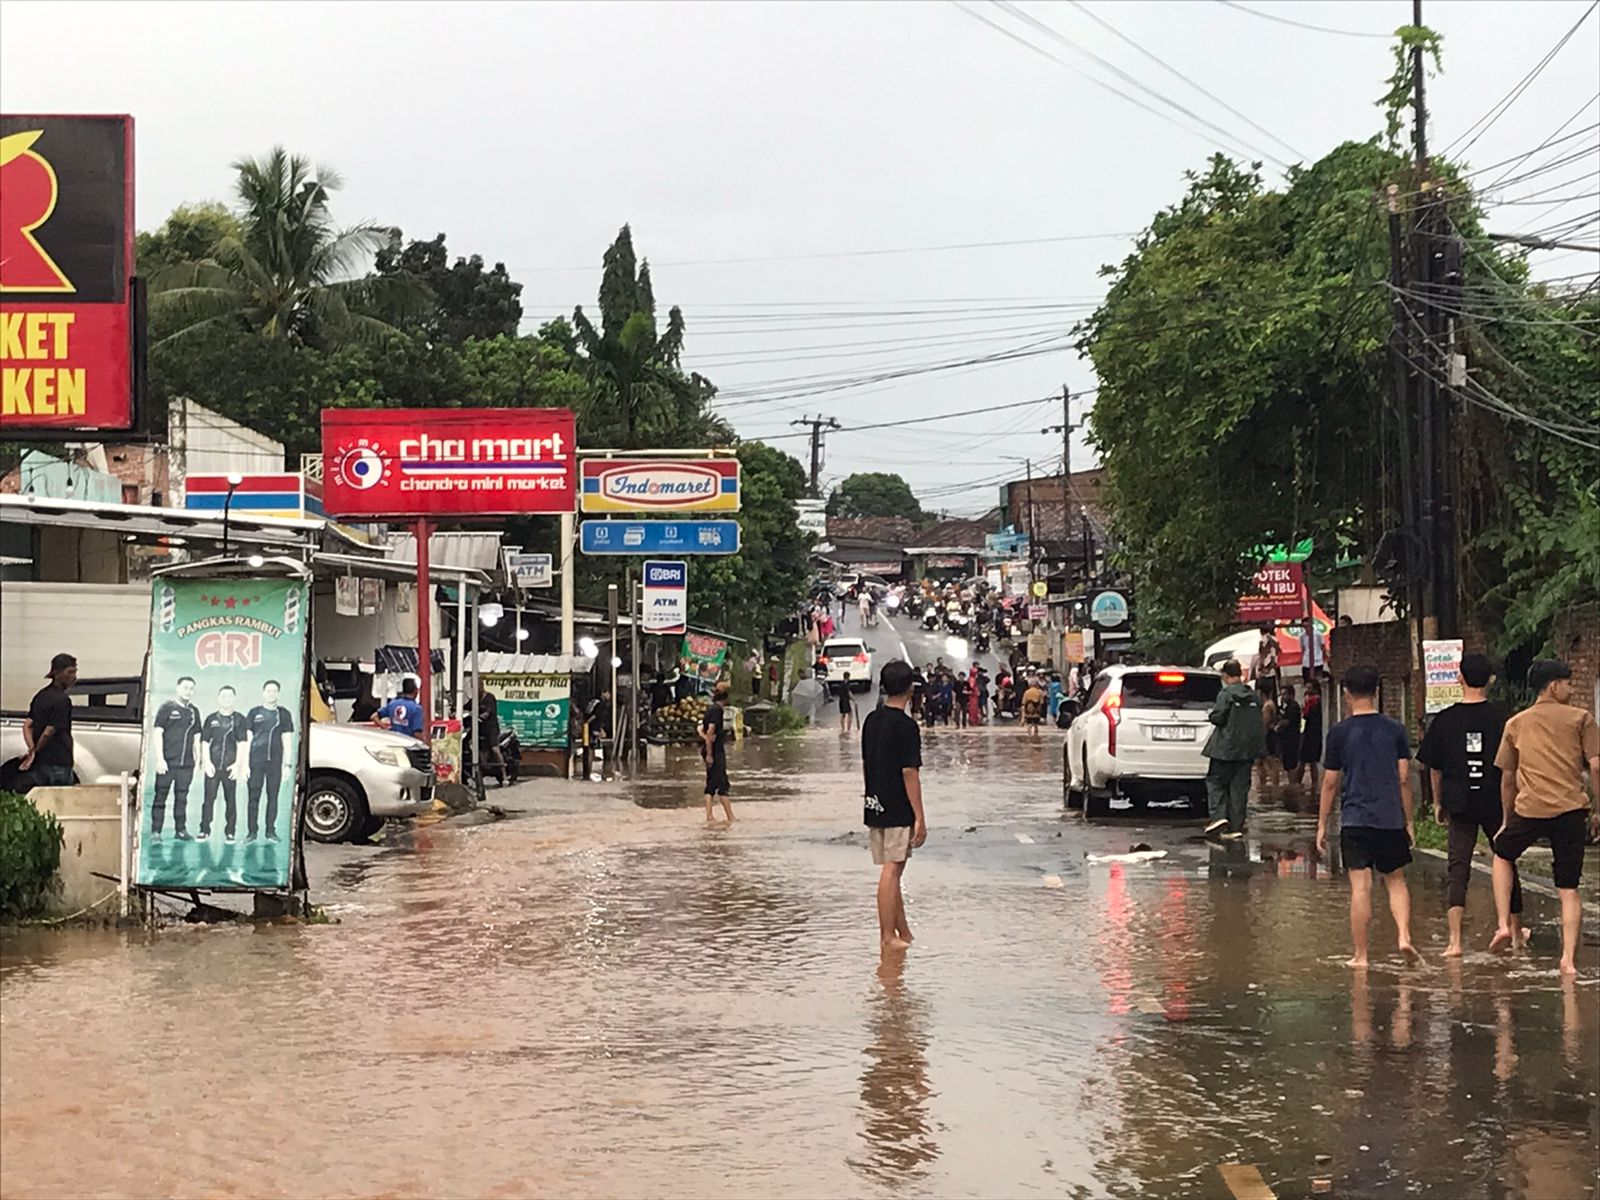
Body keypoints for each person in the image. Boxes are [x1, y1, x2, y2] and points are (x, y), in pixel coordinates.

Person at [1489, 659, 1600, 976]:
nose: (1571, 687)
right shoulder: (1582, 718)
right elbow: (1595, 766)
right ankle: (1567, 959)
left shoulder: (1516, 723)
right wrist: (1597, 809)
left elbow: (1507, 778)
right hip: (1570, 810)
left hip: (1530, 809)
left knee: (1502, 854)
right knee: (1568, 888)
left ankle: (1503, 924)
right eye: (1568, 683)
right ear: (1554, 685)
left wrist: (1507, 819)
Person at [1417, 653, 1522, 958]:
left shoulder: (1445, 720)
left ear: (1459, 679)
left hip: (1459, 802)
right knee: (1506, 861)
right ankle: (1515, 934)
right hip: (1494, 801)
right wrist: (1510, 809)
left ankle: (1454, 942)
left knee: (1457, 867)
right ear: (1491, 680)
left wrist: (1438, 803)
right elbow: (1512, 768)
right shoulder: (1502, 719)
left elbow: (1433, 768)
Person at [1316, 665, 1418, 969]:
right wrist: (1409, 820)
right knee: (1396, 880)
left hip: (1355, 819)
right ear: (1377, 691)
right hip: (1389, 818)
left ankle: (1361, 955)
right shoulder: (1395, 729)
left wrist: (1322, 823)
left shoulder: (1339, 733)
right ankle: (1403, 936)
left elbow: (1330, 782)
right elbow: (1403, 778)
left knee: (1361, 888)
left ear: (1346, 693)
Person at [861, 661, 926, 951]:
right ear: (911, 689)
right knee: (892, 869)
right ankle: (887, 936)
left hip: (874, 801)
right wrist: (920, 817)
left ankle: (903, 931)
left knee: (893, 869)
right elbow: (909, 773)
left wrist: (870, 795)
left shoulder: (871, 720)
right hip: (898, 805)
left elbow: (866, 764)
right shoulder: (907, 727)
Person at [1202, 660, 1265, 838]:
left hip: (1225, 749)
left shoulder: (1226, 694)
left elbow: (1219, 717)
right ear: (1240, 674)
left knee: (1216, 782)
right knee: (1239, 788)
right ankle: (1236, 827)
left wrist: (1212, 714)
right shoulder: (1252, 695)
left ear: (1225, 675)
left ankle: (1218, 817)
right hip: (1247, 751)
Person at [150, 675, 202, 841]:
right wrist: (160, 759)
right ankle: (156, 832)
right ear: (177, 688)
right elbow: (158, 733)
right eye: (185, 687)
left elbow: (196, 738)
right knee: (160, 797)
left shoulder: (194, 711)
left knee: (182, 798)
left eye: (191, 688)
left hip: (186, 764)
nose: (188, 691)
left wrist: (198, 759)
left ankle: (181, 830)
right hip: (167, 763)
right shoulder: (167, 708)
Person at [245, 680, 296, 843]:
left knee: (272, 797)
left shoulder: (284, 714)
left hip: (275, 763)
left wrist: (287, 765)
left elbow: (287, 740)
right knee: (253, 797)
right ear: (263, 693)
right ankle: (252, 832)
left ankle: (270, 831)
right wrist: (244, 764)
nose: (271, 694)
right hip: (255, 762)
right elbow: (247, 739)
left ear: (278, 694)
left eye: (274, 691)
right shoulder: (254, 713)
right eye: (268, 691)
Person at [199, 685, 248, 842]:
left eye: (229, 696)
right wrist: (207, 762)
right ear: (218, 699)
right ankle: (204, 830)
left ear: (235, 698)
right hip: (213, 766)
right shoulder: (211, 719)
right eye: (223, 696)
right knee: (208, 800)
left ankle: (230, 832)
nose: (226, 699)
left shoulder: (240, 719)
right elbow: (205, 742)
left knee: (231, 800)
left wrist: (237, 765)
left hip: (230, 766)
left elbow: (242, 743)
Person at [21, 653, 78, 787]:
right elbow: (48, 732)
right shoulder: (63, 701)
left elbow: (28, 725)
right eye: (69, 672)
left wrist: (31, 749)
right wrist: (35, 751)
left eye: (75, 672)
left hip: (41, 764)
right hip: (59, 762)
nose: (74, 677)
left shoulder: (40, 696)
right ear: (57, 673)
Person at [700, 681, 734, 823]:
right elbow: (710, 731)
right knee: (722, 784)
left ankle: (709, 816)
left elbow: (703, 731)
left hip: (710, 749)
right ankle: (730, 817)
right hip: (715, 751)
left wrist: (706, 745)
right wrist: (710, 754)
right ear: (725, 697)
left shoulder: (710, 709)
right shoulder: (717, 711)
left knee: (711, 783)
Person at [1298, 678, 1324, 792]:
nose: (1307, 690)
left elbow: (1306, 719)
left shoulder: (1314, 702)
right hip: (1311, 735)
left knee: (1306, 762)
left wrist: (1302, 731)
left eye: (1310, 688)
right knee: (1308, 762)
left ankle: (1299, 785)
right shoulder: (1311, 702)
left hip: (1312, 736)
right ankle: (1314, 788)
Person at [1276, 682, 1303, 787]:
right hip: (1285, 740)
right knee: (1287, 765)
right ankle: (1292, 785)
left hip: (1292, 740)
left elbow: (1287, 722)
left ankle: (1293, 786)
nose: (1283, 697)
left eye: (1285, 694)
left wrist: (1277, 727)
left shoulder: (1294, 707)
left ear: (1291, 695)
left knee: (1292, 765)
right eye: (1281, 694)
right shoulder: (1285, 707)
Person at [1256, 688, 1281, 793]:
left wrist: (1261, 736)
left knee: (1267, 761)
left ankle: (1268, 785)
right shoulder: (1271, 704)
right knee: (1262, 761)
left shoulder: (1267, 706)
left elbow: (1266, 722)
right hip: (1270, 735)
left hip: (1267, 736)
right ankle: (1265, 785)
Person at [1255, 626, 1280, 700]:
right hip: (1269, 673)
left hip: (1265, 673)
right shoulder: (1273, 640)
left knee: (1264, 696)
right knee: (1271, 696)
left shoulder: (1261, 640)